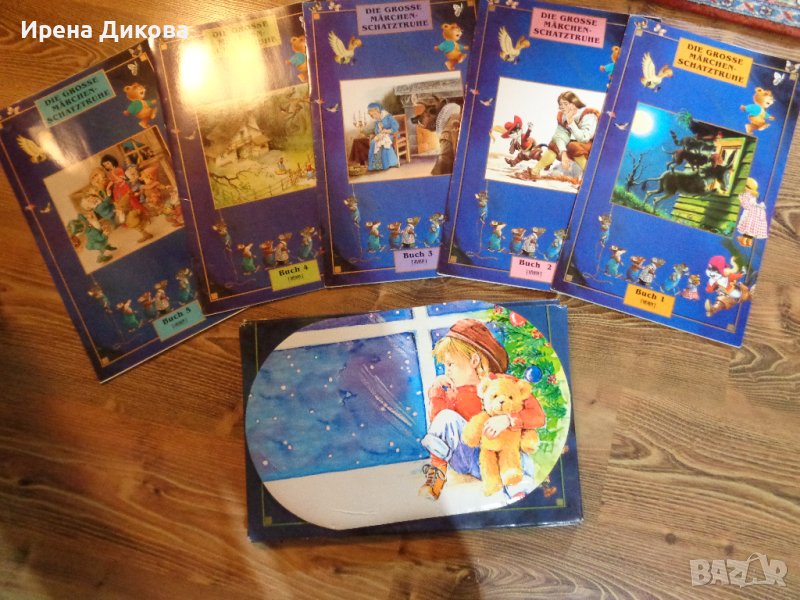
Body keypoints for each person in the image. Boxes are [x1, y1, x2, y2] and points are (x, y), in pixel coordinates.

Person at [418, 318, 545, 500]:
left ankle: (518, 490)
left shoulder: (502, 383)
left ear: (474, 360)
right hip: (468, 457)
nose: (446, 371)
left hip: (501, 454)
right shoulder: (452, 392)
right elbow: (439, 428)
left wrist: (508, 419)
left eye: (450, 364)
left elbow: (538, 416)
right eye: (444, 366)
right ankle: (436, 477)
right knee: (445, 417)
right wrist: (437, 393)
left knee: (517, 457)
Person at [528, 91, 599, 178]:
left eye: (565, 103)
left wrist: (571, 122)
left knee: (573, 146)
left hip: (592, 147)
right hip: (574, 146)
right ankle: (535, 171)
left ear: (574, 103)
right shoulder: (563, 116)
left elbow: (584, 138)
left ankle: (589, 175)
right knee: (554, 144)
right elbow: (560, 136)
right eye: (560, 104)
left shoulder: (588, 115)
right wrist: (563, 153)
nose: (562, 107)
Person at [366, 102, 399, 172]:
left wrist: (387, 131)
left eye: (374, 114)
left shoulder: (388, 117)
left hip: (392, 134)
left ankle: (389, 163)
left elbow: (396, 126)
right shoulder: (377, 121)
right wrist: (379, 129)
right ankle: (377, 165)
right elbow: (376, 131)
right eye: (372, 115)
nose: (374, 117)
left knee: (384, 142)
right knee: (373, 142)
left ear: (378, 111)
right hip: (382, 135)